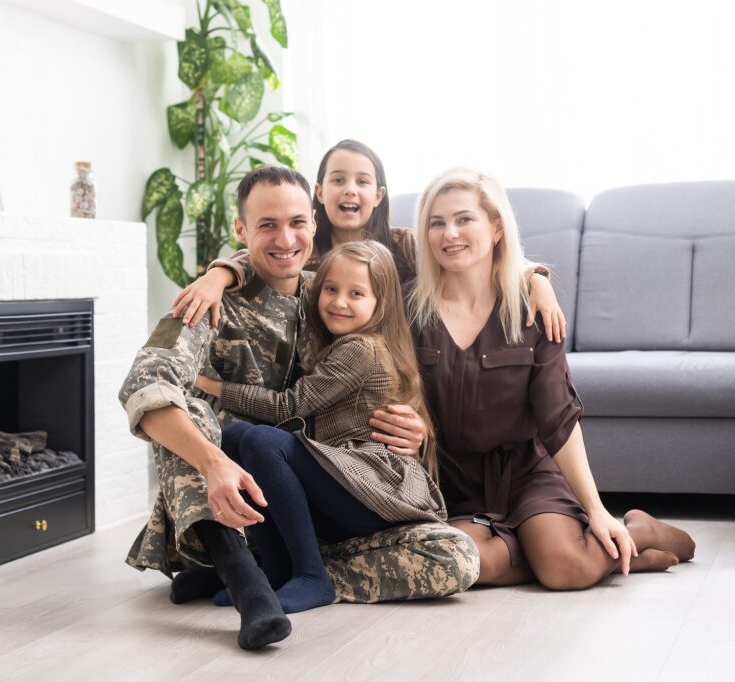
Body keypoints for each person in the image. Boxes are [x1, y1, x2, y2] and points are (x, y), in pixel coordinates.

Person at [118, 166, 479, 650]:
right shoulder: (206, 303)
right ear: (241, 232)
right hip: (224, 504)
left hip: (313, 508)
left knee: (457, 557)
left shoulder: (326, 291)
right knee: (192, 413)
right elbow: (144, 384)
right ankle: (247, 581)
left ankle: (294, 574)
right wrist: (215, 462)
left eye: (296, 223)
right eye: (267, 225)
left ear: (313, 222)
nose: (285, 239)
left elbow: (445, 269)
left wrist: (414, 427)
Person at [410, 168, 695, 588]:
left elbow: (558, 417)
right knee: (462, 563)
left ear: (496, 228)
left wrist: (596, 509)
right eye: (437, 223)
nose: (450, 233)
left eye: (464, 219)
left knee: (567, 571)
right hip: (452, 480)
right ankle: (577, 552)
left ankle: (637, 532)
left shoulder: (532, 309)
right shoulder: (410, 310)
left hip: (527, 472)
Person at [193, 241, 445, 614]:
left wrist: (208, 384)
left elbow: (288, 406)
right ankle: (274, 571)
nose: (339, 302)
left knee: (262, 439)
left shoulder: (361, 348)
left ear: (381, 303)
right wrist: (222, 272)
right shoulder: (344, 342)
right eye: (330, 289)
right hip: (347, 485)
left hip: (374, 491)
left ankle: (313, 576)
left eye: (356, 293)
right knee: (234, 438)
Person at [172, 139, 567, 346]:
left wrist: (535, 278)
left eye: (362, 181)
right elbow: (262, 253)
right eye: (339, 180)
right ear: (319, 192)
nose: (350, 190)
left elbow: (467, 255)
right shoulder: (306, 249)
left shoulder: (405, 246)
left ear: (377, 195)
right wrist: (219, 274)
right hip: (323, 370)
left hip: (396, 368)